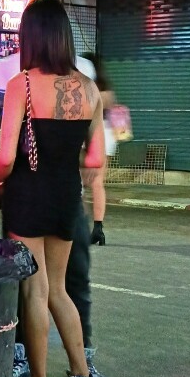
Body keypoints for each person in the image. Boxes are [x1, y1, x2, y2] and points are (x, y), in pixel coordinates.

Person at [0, 0, 105, 377]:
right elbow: (93, 160)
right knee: (59, 290)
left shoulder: (21, 85)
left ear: (31, 38)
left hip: (28, 194)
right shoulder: (90, 89)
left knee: (34, 292)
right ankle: (80, 375)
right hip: (66, 197)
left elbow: (5, 156)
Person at [84, 52, 115, 245]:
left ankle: (79, 225)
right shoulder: (107, 91)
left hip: (90, 133)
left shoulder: (85, 87)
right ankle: (98, 227)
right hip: (108, 135)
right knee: (98, 183)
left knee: (78, 184)